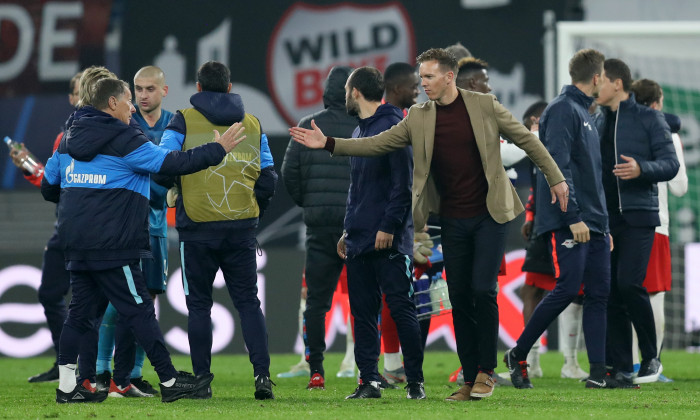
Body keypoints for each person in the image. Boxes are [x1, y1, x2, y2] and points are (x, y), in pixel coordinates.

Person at [289, 48, 568, 401]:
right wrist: (329, 143)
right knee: (461, 296)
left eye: (429, 77)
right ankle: (470, 379)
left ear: (449, 77)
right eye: (421, 77)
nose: (423, 83)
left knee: (482, 290)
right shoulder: (418, 116)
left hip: (489, 215)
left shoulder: (484, 105)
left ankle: (485, 371)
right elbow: (377, 144)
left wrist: (555, 178)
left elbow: (527, 140)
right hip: (451, 218)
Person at [41, 77, 246, 403]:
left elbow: (49, 186)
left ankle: (71, 387)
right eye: (127, 101)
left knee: (79, 314)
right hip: (114, 245)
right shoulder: (125, 139)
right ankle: (168, 380)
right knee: (139, 311)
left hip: (76, 244)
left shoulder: (67, 140)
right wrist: (217, 149)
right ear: (111, 104)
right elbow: (173, 163)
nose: (132, 107)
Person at [502, 49, 625, 390]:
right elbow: (556, 168)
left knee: (599, 293)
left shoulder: (583, 113)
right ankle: (519, 353)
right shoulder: (560, 110)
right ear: (597, 78)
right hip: (572, 221)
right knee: (567, 287)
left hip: (595, 222)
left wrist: (604, 224)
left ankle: (598, 373)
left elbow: (591, 176)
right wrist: (573, 217)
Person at [160, 61, 277, 400]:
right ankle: (262, 377)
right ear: (229, 88)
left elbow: (164, 164)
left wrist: (175, 189)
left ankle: (202, 382)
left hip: (196, 228)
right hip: (241, 228)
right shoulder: (252, 124)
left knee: (199, 306)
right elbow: (268, 178)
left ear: (197, 88)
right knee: (249, 304)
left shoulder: (181, 120)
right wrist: (254, 211)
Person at [335, 66, 424, 400]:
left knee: (401, 309)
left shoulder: (393, 127)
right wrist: (348, 229)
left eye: (346, 89)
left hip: (388, 239)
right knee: (362, 314)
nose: (345, 95)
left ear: (355, 91)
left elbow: (404, 185)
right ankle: (369, 381)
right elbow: (356, 190)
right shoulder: (360, 131)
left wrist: (388, 226)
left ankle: (415, 381)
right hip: (358, 237)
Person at [594, 58, 679, 384]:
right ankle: (621, 368)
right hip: (607, 218)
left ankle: (651, 358)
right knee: (611, 291)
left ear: (617, 84)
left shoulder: (649, 119)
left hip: (640, 215)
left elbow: (670, 165)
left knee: (629, 283)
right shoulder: (597, 120)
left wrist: (642, 169)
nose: (595, 86)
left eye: (600, 81)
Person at [95, 65, 172, 397]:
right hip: (126, 222)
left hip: (156, 225)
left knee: (149, 297)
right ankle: (102, 370)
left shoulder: (176, 124)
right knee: (119, 300)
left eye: (149, 89)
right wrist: (165, 192)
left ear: (163, 91)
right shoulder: (125, 122)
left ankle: (135, 374)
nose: (142, 95)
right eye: (138, 89)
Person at [281, 66, 357, 388]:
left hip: (320, 225)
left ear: (326, 91)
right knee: (364, 299)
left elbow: (289, 175)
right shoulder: (364, 127)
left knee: (315, 302)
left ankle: (316, 369)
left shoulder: (306, 125)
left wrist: (309, 203)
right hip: (358, 225)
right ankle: (367, 368)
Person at [9, 72, 81, 383]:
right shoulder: (64, 137)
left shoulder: (110, 134)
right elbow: (55, 182)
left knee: (98, 304)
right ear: (71, 98)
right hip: (66, 228)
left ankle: (114, 372)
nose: (83, 99)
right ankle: (66, 363)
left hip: (91, 230)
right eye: (79, 93)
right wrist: (29, 166)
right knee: (50, 293)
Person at [629, 78, 687, 382]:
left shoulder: (619, 130)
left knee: (623, 293)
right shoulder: (668, 134)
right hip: (655, 223)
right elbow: (680, 188)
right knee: (654, 296)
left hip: (621, 221)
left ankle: (621, 362)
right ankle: (650, 363)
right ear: (656, 103)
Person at [379, 61, 421, 385]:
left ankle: (390, 366)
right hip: (391, 222)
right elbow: (400, 182)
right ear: (396, 89)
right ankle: (392, 366)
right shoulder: (389, 125)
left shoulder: (403, 120)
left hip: (396, 220)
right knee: (396, 297)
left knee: (394, 297)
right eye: (413, 85)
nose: (418, 89)